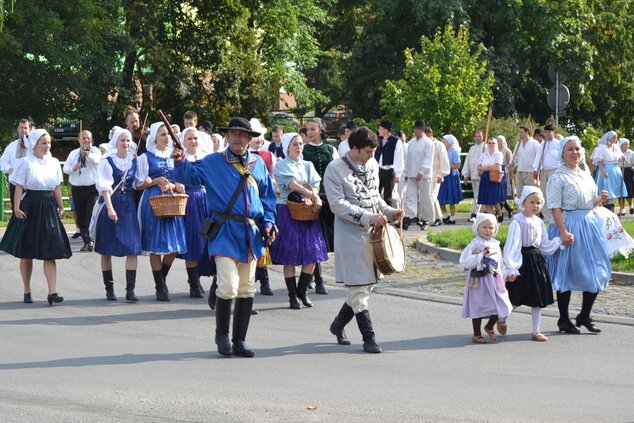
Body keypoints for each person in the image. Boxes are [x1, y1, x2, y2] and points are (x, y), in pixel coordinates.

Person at [173, 117, 277, 358]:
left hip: (250, 233)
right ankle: (222, 335)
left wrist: (269, 223)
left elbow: (268, 198)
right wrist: (179, 160)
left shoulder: (258, 164)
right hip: (224, 231)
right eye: (234, 134)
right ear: (228, 137)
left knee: (247, 288)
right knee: (228, 285)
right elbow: (189, 175)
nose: (238, 138)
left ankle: (239, 340)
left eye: (243, 134)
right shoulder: (213, 162)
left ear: (250, 139)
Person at [324, 126, 404, 353]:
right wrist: (369, 217)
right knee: (359, 287)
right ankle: (369, 337)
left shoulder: (371, 165)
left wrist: (390, 212)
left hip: (372, 233)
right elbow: (337, 204)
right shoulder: (334, 169)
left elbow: (375, 196)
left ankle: (338, 324)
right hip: (349, 235)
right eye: (368, 152)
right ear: (355, 148)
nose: (372, 156)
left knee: (365, 287)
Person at [546, 136, 611, 334]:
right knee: (567, 272)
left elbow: (588, 203)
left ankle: (584, 315)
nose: (575, 152)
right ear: (562, 153)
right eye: (570, 149)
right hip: (569, 225)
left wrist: (599, 199)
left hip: (589, 225)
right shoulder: (558, 177)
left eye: (577, 149)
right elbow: (555, 207)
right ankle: (564, 319)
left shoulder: (585, 174)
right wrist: (563, 231)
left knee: (598, 270)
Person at [0, 129, 71, 305]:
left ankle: (52, 292)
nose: (47, 146)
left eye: (49, 143)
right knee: (27, 252)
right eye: (43, 143)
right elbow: (18, 187)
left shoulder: (54, 162)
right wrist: (16, 208)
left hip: (48, 206)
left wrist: (61, 207)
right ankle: (27, 289)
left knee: (51, 250)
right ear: (35, 144)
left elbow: (56, 187)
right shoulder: (25, 163)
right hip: (30, 205)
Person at [270, 132, 328, 309]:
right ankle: (292, 294)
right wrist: (312, 196)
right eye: (295, 144)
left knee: (312, 252)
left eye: (301, 144)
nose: (299, 147)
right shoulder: (281, 165)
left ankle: (302, 290)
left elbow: (316, 183)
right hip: (288, 210)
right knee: (290, 256)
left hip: (307, 211)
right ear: (287, 146)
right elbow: (292, 185)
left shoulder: (307, 164)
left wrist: (314, 195)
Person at [135, 122, 187, 301]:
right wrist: (155, 181)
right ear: (154, 137)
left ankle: (161, 278)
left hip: (172, 201)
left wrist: (174, 185)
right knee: (156, 246)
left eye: (168, 134)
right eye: (162, 134)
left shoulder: (176, 157)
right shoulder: (146, 157)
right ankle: (160, 286)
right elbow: (138, 184)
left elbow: (180, 181)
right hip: (153, 201)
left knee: (174, 246)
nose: (166, 138)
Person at [502, 187, 561, 341]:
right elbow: (512, 245)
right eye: (532, 202)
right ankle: (502, 316)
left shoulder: (539, 221)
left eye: (538, 202)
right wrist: (511, 267)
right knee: (517, 295)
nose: (535, 205)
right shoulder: (517, 221)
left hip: (536, 261)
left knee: (537, 297)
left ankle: (536, 331)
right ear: (524, 202)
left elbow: (544, 244)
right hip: (521, 260)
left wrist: (559, 241)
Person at [94, 127, 142, 302]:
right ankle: (109, 289)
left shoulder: (134, 161)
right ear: (116, 142)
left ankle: (130, 290)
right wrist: (110, 208)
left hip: (129, 206)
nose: (126, 144)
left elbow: (138, 183)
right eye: (123, 140)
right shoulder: (107, 161)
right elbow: (105, 188)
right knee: (106, 249)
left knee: (132, 249)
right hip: (112, 204)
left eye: (128, 140)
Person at [459, 213, 512, 344]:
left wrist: (504, 274)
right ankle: (477, 334)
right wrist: (481, 256)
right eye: (485, 227)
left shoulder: (496, 244)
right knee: (478, 304)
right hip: (478, 281)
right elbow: (465, 261)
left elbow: (500, 262)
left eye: (491, 227)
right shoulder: (475, 245)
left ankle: (489, 326)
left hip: (494, 279)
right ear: (478, 228)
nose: (488, 230)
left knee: (501, 303)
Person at [302, 117, 338, 294]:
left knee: (325, 239)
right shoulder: (303, 150)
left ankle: (310, 277)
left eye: (313, 129)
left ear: (321, 130)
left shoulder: (331, 149)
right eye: (308, 129)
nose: (309, 132)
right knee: (314, 239)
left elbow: (339, 172)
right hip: (311, 199)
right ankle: (317, 279)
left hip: (329, 198)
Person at [174, 127, 209, 298]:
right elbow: (177, 178)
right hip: (190, 201)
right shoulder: (180, 159)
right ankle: (194, 282)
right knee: (193, 241)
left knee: (211, 240)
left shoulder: (207, 158)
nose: (193, 142)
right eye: (189, 139)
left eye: (195, 138)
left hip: (207, 200)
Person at [248, 119, 276, 296]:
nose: (258, 140)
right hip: (244, 207)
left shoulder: (266, 156)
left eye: (260, 136)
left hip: (260, 205)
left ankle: (264, 281)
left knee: (262, 244)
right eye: (255, 136)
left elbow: (269, 182)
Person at [63, 130, 101, 252]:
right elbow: (66, 169)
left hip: (92, 188)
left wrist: (87, 155)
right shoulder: (73, 153)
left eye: (88, 138)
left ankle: (92, 238)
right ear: (79, 140)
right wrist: (74, 167)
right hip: (78, 188)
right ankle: (87, 241)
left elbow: (96, 160)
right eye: (83, 138)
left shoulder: (95, 151)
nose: (86, 140)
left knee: (90, 213)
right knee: (81, 216)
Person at [402, 120, 433, 230]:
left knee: (425, 198)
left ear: (422, 130)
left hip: (424, 176)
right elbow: (407, 158)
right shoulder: (411, 142)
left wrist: (422, 171)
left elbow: (428, 159)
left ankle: (426, 219)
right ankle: (408, 217)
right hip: (411, 173)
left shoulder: (428, 143)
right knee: (410, 196)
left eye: (418, 129)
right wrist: (406, 172)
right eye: (415, 129)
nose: (416, 131)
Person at [0, 118, 32, 213]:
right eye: (21, 128)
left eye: (25, 128)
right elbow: (2, 161)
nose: (23, 130)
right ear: (17, 129)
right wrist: (9, 169)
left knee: (30, 212)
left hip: (30, 185)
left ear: (29, 129)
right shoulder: (11, 146)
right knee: (17, 212)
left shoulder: (33, 146)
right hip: (15, 183)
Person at [591, 131, 626, 213]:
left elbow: (618, 158)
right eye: (614, 137)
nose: (615, 139)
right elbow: (599, 161)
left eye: (616, 137)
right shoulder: (602, 147)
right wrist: (603, 172)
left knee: (615, 191)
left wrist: (621, 158)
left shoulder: (616, 147)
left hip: (615, 170)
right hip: (606, 169)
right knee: (606, 191)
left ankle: (612, 208)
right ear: (609, 138)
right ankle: (605, 209)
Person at [532, 124, 560, 223]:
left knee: (554, 193)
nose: (547, 134)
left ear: (553, 133)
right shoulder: (543, 145)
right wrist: (536, 169)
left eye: (549, 132)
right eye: (546, 132)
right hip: (545, 171)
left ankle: (556, 215)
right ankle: (547, 217)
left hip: (555, 171)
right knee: (543, 192)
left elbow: (561, 158)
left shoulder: (558, 144)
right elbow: (538, 157)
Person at [374, 120, 404, 207]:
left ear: (386, 130)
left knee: (388, 196)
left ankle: (389, 218)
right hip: (377, 170)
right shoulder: (377, 139)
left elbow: (399, 158)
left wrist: (398, 174)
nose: (378, 130)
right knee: (375, 194)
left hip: (389, 171)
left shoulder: (396, 141)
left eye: (380, 128)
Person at [477, 137, 504, 221]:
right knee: (486, 200)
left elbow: (497, 167)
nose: (491, 144)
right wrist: (488, 167)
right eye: (490, 143)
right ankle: (492, 218)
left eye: (493, 143)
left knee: (494, 199)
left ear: (496, 144)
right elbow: (478, 167)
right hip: (485, 177)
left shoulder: (499, 154)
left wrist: (484, 168)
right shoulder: (483, 154)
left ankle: (499, 213)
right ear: (487, 144)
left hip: (494, 177)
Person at [437, 134, 463, 224]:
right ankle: (445, 214)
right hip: (443, 174)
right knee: (440, 197)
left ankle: (452, 217)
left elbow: (458, 165)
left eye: (444, 141)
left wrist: (446, 167)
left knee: (452, 198)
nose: (442, 142)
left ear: (448, 142)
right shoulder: (442, 150)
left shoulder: (454, 151)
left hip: (452, 176)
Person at [461, 130, 484, 222]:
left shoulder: (485, 148)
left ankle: (474, 214)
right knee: (476, 195)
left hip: (482, 176)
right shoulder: (472, 149)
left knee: (478, 195)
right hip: (474, 175)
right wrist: (466, 175)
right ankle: (481, 214)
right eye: (476, 136)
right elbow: (468, 162)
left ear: (483, 137)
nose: (478, 138)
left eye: (479, 136)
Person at [511, 126, 540, 199]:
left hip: (531, 172)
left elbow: (539, 157)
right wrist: (512, 165)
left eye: (521, 132)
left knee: (530, 193)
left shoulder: (534, 143)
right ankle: (521, 209)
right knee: (519, 194)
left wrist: (537, 170)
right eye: (519, 132)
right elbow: (516, 157)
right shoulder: (518, 144)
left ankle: (532, 210)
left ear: (527, 132)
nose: (520, 134)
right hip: (520, 171)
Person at [429, 127, 450, 226]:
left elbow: (444, 160)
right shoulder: (425, 144)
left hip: (436, 175)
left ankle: (438, 218)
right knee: (430, 197)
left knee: (432, 196)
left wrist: (442, 174)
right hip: (427, 176)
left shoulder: (439, 145)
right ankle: (437, 217)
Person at [497, 135, 514, 218]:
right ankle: (508, 210)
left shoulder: (507, 151)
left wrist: (509, 172)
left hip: (505, 173)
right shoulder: (496, 151)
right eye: (498, 140)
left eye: (501, 141)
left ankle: (500, 211)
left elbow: (510, 163)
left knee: (502, 193)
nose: (499, 142)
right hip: (497, 173)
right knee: (499, 193)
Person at [619, 138, 634, 215]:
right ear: (621, 145)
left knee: (629, 189)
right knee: (620, 190)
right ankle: (622, 208)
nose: (627, 146)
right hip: (619, 171)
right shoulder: (617, 152)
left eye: (628, 144)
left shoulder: (631, 153)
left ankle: (631, 205)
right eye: (625, 144)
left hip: (629, 172)